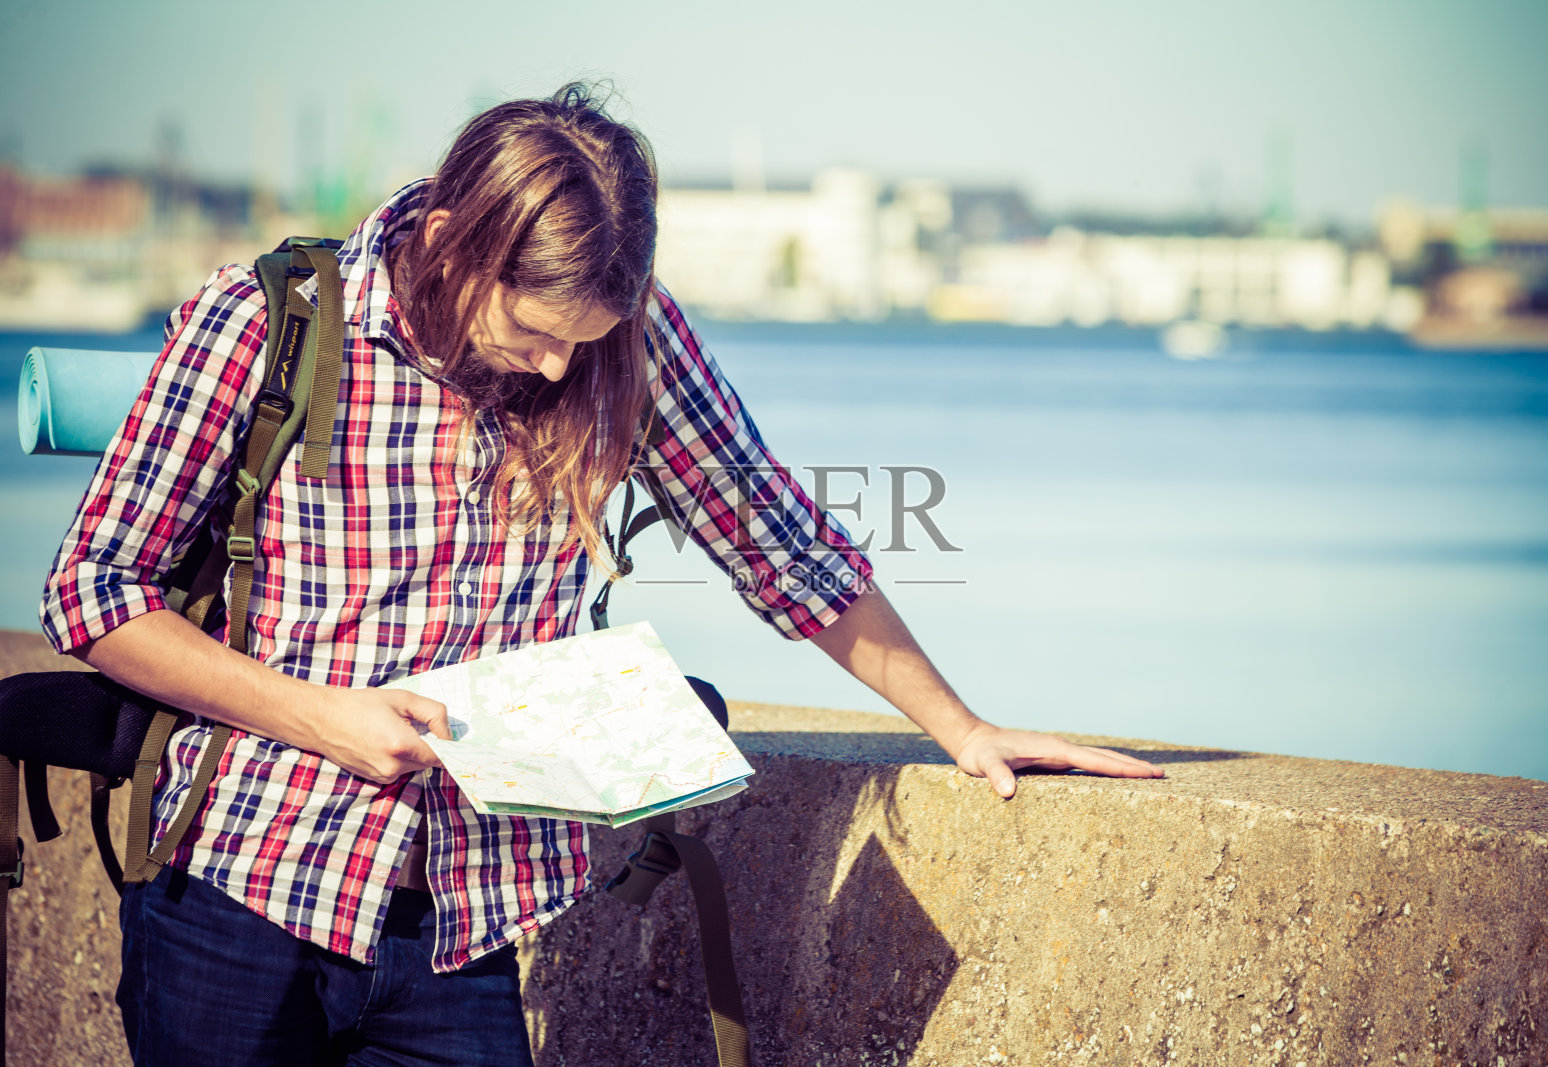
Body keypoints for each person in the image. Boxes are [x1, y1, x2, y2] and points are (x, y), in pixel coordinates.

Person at [39, 84, 1163, 1066]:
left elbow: (783, 545)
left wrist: (959, 726)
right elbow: (92, 588)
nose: (557, 366)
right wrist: (322, 718)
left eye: (588, 334)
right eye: (533, 330)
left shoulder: (621, 346)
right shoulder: (263, 321)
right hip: (239, 888)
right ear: (449, 238)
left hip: (459, 925)